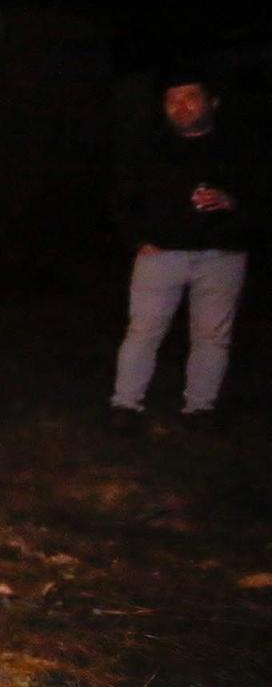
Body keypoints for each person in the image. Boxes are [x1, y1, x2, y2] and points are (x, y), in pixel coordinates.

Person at [107, 74, 255, 429]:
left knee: (212, 335)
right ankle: (125, 405)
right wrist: (138, 239)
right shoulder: (150, 148)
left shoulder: (240, 149)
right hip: (161, 255)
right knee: (143, 331)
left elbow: (259, 197)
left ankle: (200, 407)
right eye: (173, 100)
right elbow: (122, 198)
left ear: (211, 102)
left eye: (190, 97)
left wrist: (231, 202)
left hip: (222, 254)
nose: (181, 106)